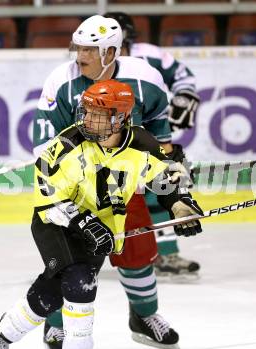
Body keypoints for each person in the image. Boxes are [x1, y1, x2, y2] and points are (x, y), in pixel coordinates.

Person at [0, 79, 204, 349]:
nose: (88, 119)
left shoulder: (141, 142)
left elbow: (164, 181)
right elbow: (49, 196)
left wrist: (179, 204)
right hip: (57, 221)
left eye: (98, 114)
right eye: (87, 112)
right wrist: (84, 222)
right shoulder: (68, 144)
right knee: (80, 281)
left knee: (51, 293)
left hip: (102, 227)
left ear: (121, 118)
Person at [32, 15, 197, 349]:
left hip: (121, 185)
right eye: (77, 47)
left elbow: (159, 148)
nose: (80, 56)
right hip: (75, 192)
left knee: (138, 254)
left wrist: (177, 198)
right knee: (68, 262)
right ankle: (56, 322)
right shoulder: (60, 82)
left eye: (89, 49)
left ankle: (143, 316)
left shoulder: (147, 79)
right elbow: (46, 152)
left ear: (111, 51)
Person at [104, 12, 201, 279]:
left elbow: (183, 76)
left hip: (147, 138)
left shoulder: (150, 55)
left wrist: (184, 95)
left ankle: (166, 254)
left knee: (160, 190)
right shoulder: (91, 62)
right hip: (109, 144)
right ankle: (74, 258)